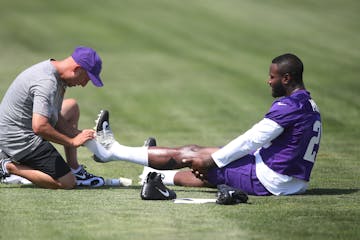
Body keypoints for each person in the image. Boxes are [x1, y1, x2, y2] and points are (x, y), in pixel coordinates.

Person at [85, 53, 322, 196]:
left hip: (272, 180)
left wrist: (213, 160)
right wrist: (216, 155)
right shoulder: (308, 104)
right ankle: (153, 171)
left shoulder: (288, 106)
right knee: (199, 150)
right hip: (288, 178)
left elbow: (253, 138)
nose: (268, 81)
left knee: (198, 160)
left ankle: (112, 152)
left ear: (286, 78)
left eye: (272, 77)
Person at [0, 46, 105, 189]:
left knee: (71, 107)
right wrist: (72, 141)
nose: (84, 84)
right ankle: (7, 166)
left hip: (18, 127)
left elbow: (53, 114)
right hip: (18, 139)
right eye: (86, 78)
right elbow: (40, 126)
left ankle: (75, 169)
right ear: (77, 69)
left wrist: (77, 134)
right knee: (67, 182)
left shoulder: (56, 73)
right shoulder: (47, 82)